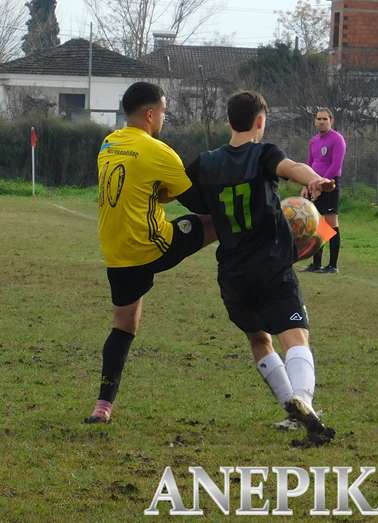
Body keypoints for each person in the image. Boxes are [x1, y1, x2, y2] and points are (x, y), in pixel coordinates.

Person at [182, 91, 336, 445]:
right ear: (260, 121)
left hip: (232, 275)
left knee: (258, 339)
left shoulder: (206, 163)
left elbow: (183, 193)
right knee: (295, 336)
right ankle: (304, 401)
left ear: (229, 121)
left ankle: (291, 410)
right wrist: (313, 179)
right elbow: (292, 168)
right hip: (271, 267)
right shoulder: (263, 153)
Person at [85, 82, 217, 424]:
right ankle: (242, 262)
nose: (163, 117)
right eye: (163, 111)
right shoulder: (158, 151)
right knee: (215, 220)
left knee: (124, 325)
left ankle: (103, 406)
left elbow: (145, 189)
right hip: (154, 246)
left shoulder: (108, 143)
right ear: (149, 113)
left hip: (116, 252)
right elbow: (198, 202)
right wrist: (206, 169)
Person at [301, 107, 346, 274]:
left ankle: (332, 265)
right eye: (318, 119)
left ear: (331, 120)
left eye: (324, 119)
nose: (321, 122)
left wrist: (321, 185)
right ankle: (316, 264)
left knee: (331, 224)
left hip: (329, 185)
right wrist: (306, 184)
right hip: (314, 184)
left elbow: (336, 165)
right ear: (315, 121)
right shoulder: (313, 141)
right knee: (317, 224)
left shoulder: (337, 139)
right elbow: (309, 164)